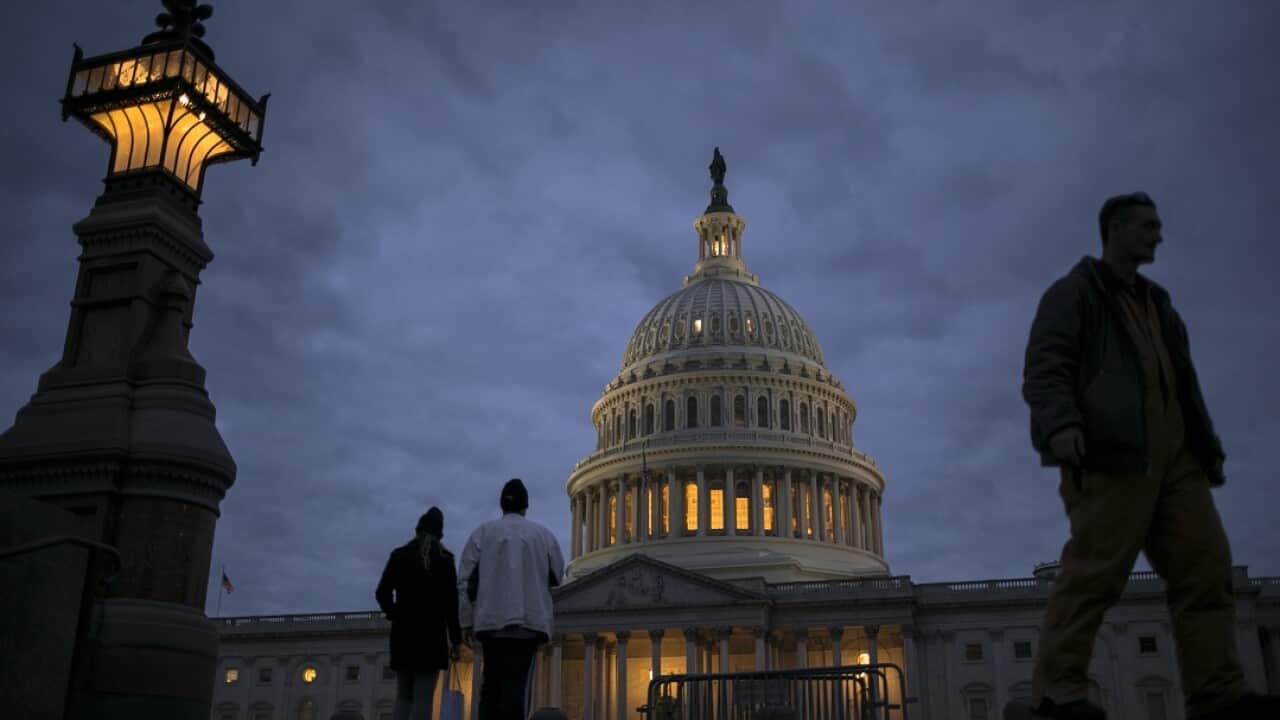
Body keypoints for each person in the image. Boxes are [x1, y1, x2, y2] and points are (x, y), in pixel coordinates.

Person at [1020, 192, 1279, 720]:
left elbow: (1179, 381)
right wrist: (1062, 423)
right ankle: (1057, 693)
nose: (1158, 235)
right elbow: (1046, 366)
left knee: (1206, 568)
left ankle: (1217, 692)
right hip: (1113, 451)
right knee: (1095, 572)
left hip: (1177, 456)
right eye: (1147, 226)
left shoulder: (1159, 304)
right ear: (1115, 229)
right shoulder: (1073, 293)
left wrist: (1205, 446)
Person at [457, 478, 565, 720]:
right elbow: (557, 576)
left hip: (491, 623)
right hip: (528, 623)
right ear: (525, 506)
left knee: (490, 687)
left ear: (502, 505)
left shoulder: (482, 533)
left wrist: (465, 622)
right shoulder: (543, 536)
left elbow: (464, 582)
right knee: (517, 689)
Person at [376, 507, 463, 720]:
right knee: (424, 698)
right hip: (432, 636)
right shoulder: (445, 560)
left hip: (403, 634)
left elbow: (382, 593)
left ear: (417, 530)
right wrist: (456, 640)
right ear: (439, 534)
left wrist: (395, 614)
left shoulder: (399, 556)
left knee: (403, 696)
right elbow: (451, 606)